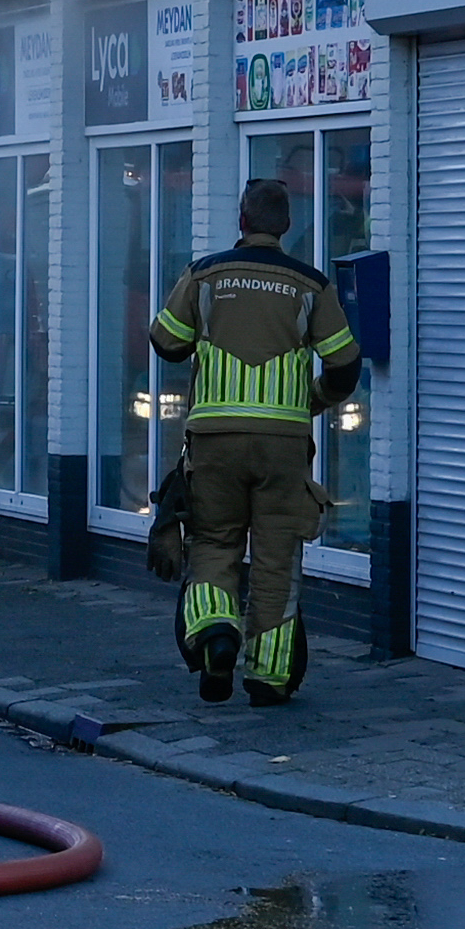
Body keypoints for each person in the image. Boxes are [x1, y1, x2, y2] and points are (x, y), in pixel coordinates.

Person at [145, 177, 361, 706]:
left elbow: (164, 341)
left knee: (214, 543)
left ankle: (218, 636)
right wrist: (310, 400)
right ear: (285, 225)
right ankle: (268, 678)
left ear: (242, 220)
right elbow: (345, 363)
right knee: (276, 560)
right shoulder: (312, 285)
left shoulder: (205, 274)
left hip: (214, 442)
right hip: (283, 446)